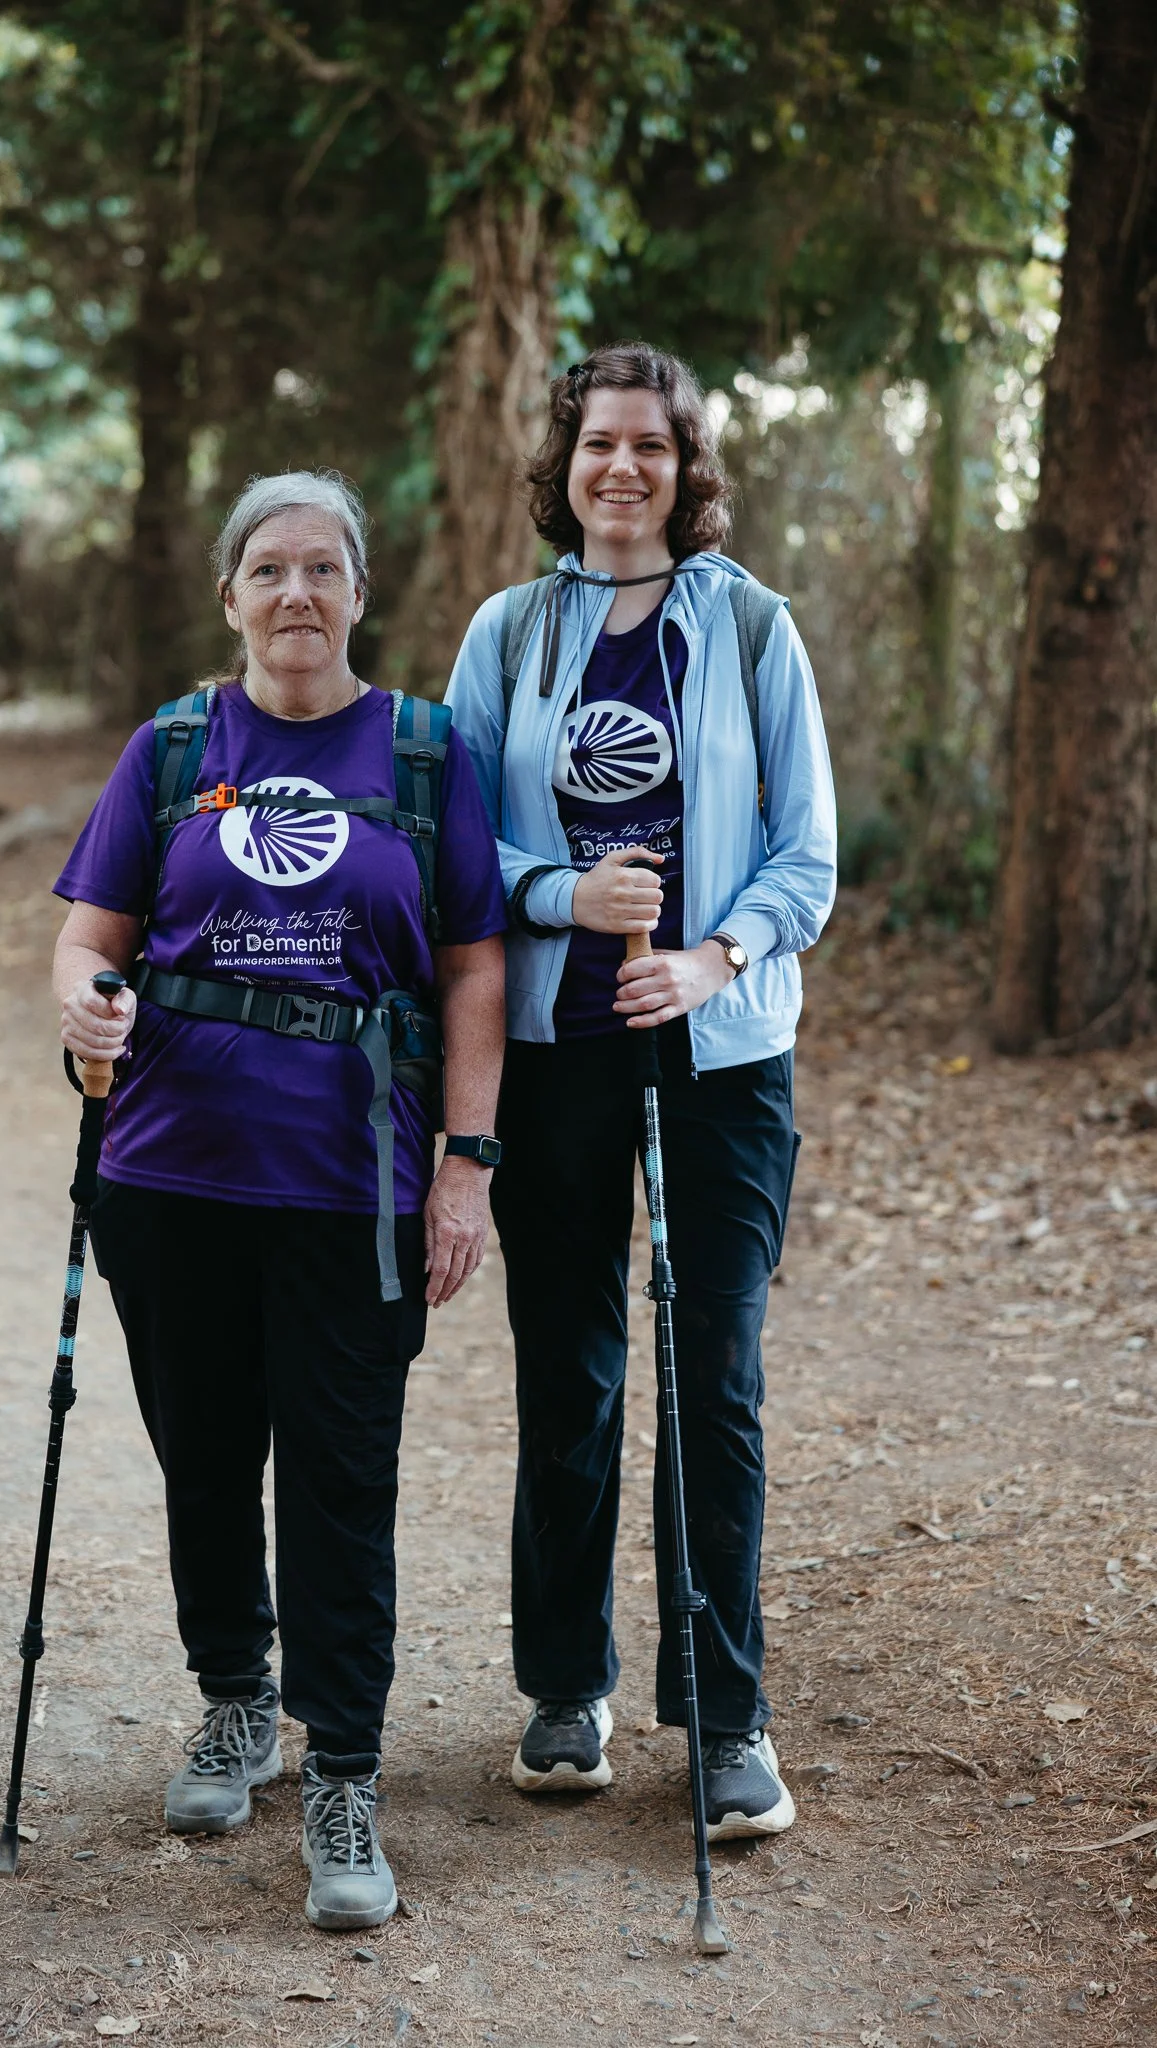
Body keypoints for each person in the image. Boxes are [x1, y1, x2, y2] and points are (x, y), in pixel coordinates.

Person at [51, 470, 505, 1930]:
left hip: (351, 1191)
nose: (296, 594)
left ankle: (345, 1771)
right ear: (230, 595)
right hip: (167, 1176)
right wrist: (86, 1013)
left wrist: (467, 1162)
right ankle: (237, 1702)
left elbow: (475, 968)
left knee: (337, 1474)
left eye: (324, 568)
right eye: (269, 570)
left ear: (361, 593)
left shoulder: (428, 756)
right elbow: (90, 937)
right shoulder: (175, 746)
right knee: (202, 1456)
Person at [445, 342, 836, 1839]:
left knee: (713, 1380)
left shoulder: (750, 627)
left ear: (686, 471)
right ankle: (566, 1688)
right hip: (557, 1054)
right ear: (566, 464)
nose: (624, 469)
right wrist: (564, 894)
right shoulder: (511, 632)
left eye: (652, 448)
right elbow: (466, 855)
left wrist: (710, 956)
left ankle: (727, 1719)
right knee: (572, 1368)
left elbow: (808, 853)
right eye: (600, 444)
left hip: (721, 1053)